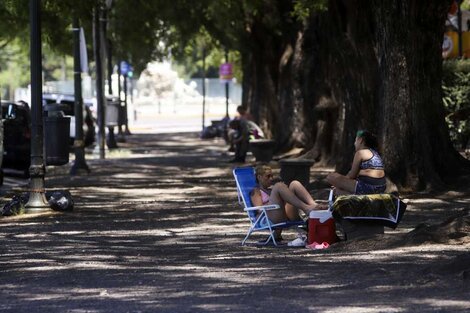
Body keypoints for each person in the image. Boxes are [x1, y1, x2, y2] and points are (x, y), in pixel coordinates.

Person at [251, 165, 326, 239]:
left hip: (284, 215)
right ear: (259, 177)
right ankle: (306, 208)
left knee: (294, 184)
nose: (271, 179)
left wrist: (283, 196)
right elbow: (260, 209)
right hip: (267, 219)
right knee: (279, 186)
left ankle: (315, 205)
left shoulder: (271, 189)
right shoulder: (256, 191)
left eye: (272, 176)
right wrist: (274, 200)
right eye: (268, 176)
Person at [326, 130, 386, 195]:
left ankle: (357, 196)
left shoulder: (360, 153)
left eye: (355, 140)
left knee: (331, 176)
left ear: (360, 140)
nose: (354, 143)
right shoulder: (375, 153)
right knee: (336, 191)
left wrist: (339, 183)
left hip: (368, 187)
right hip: (381, 187)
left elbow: (352, 175)